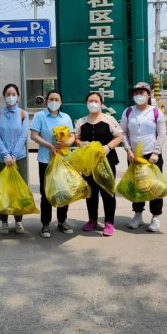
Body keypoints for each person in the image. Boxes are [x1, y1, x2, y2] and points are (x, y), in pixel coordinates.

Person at [119, 81, 166, 232]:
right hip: (134, 156)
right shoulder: (128, 112)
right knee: (136, 186)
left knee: (154, 187)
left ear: (148, 95)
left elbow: (162, 134)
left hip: (152, 155)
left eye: (142, 92)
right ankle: (138, 215)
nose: (139, 95)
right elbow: (123, 132)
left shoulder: (156, 112)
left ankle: (155, 217)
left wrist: (156, 152)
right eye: (136, 93)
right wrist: (128, 151)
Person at [74, 91, 123, 236]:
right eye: (90, 101)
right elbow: (76, 138)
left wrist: (108, 147)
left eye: (96, 101)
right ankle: (92, 220)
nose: (93, 103)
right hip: (89, 163)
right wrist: (81, 143)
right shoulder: (81, 122)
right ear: (86, 103)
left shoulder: (109, 119)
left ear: (101, 103)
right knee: (91, 193)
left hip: (107, 161)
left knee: (107, 192)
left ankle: (109, 222)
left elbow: (119, 136)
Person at [30, 90, 75, 238]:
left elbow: (72, 135)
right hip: (45, 159)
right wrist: (49, 146)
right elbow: (34, 135)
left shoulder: (66, 117)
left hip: (63, 160)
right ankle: (45, 224)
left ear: (61, 102)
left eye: (57, 99)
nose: (54, 102)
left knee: (63, 191)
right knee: (46, 193)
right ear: (46, 101)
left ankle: (62, 221)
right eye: (51, 99)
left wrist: (66, 143)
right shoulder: (40, 116)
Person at [0, 83, 30, 235]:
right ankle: (4, 221)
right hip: (1, 159)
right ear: (4, 97)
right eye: (8, 94)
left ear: (18, 96)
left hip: (19, 158)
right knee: (1, 191)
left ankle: (18, 220)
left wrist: (13, 155)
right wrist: (5, 155)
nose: (11, 97)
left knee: (18, 190)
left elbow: (23, 135)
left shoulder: (23, 114)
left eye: (13, 94)